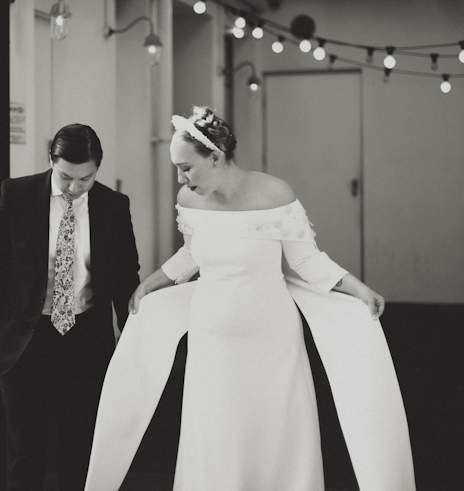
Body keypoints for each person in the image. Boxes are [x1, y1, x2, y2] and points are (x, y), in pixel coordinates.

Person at [84, 107, 416, 491]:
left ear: (215, 156)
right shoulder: (189, 201)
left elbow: (306, 260)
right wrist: (152, 283)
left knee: (274, 427)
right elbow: (192, 253)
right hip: (212, 339)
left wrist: (359, 289)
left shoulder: (275, 193)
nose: (180, 177)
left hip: (272, 340)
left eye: (187, 167)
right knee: (216, 428)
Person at [0, 123, 140, 491]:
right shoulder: (18, 194)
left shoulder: (113, 206)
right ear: (51, 161)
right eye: (65, 177)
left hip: (85, 338)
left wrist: (130, 329)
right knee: (26, 451)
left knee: (80, 446)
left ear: (97, 169)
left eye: (85, 179)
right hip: (27, 339)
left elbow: (125, 273)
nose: (74, 188)